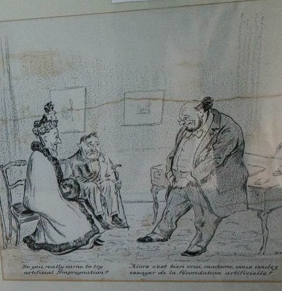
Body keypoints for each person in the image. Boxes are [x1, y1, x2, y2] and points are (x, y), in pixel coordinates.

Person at [138, 96, 247, 256]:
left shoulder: (228, 128)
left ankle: (199, 243)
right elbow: (174, 153)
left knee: (204, 215)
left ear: (201, 111)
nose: (183, 123)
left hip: (213, 179)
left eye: (186, 119)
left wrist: (189, 177)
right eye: (182, 120)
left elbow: (214, 159)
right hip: (183, 178)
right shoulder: (189, 126)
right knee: (173, 204)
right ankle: (161, 232)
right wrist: (171, 173)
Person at [20, 103, 101, 254]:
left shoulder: (45, 155)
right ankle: (77, 238)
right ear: (45, 137)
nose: (59, 141)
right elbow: (38, 193)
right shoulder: (37, 158)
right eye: (55, 137)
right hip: (39, 200)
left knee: (76, 207)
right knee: (69, 213)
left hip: (50, 196)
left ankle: (84, 235)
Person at [61, 132, 127, 229]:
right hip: (83, 188)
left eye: (96, 145)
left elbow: (110, 175)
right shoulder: (71, 161)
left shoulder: (104, 158)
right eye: (89, 145)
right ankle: (99, 218)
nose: (93, 148)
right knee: (92, 186)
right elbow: (68, 182)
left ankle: (114, 216)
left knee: (108, 184)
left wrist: (115, 182)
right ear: (80, 146)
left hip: (100, 183)